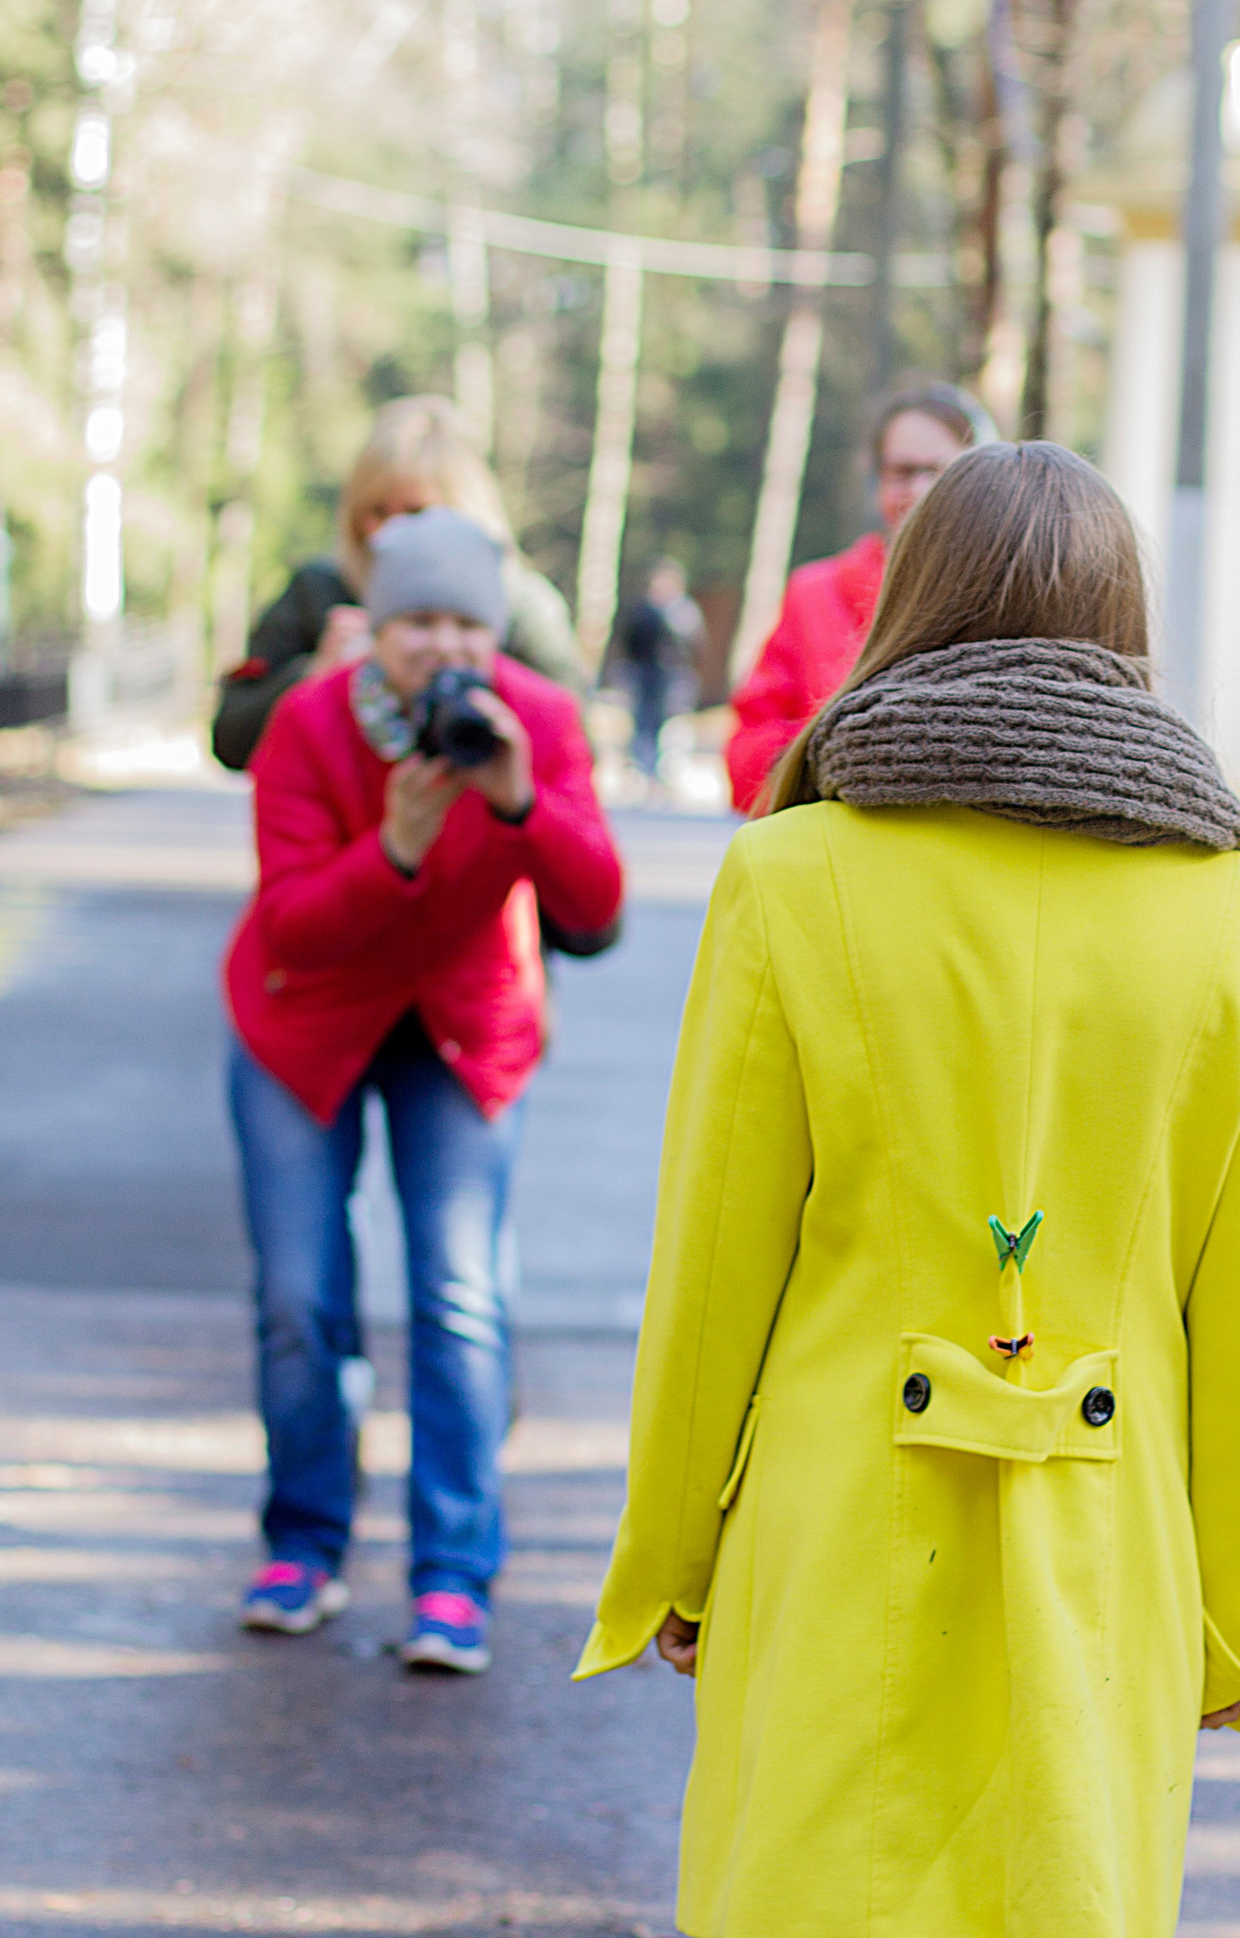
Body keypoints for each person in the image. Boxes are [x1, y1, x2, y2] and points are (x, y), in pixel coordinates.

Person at [578, 442, 1240, 1936]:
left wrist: (670, 1548)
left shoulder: (791, 876)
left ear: (913, 604)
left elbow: (716, 1259)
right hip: (1109, 1549)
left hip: (835, 1511)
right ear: (1127, 630)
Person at [226, 508, 622, 1674]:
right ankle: (302, 1540)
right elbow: (292, 917)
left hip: (460, 1027)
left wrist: (516, 800)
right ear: (377, 628)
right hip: (308, 1020)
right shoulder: (308, 723)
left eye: (464, 623)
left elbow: (596, 908)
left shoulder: (536, 722)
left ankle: (454, 1577)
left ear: (493, 633)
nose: (441, 649)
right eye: (415, 624)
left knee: (457, 1297)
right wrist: (392, 849)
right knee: (303, 1294)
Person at [212, 395, 582, 774]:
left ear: (465, 509)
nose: (386, 533)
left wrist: (481, 687)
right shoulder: (319, 591)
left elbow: (575, 748)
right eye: (374, 511)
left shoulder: (517, 603)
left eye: (414, 513)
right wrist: (315, 676)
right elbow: (230, 743)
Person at [722, 381, 987, 812]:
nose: (918, 492)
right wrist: (836, 758)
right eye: (902, 472)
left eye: (938, 472)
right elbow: (747, 751)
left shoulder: (1005, 594)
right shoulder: (814, 592)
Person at [608, 558, 705, 783]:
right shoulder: (642, 610)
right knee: (642, 723)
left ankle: (669, 772)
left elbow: (695, 646)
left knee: (673, 725)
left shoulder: (684, 612)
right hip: (644, 675)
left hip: (673, 677)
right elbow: (627, 640)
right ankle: (642, 769)